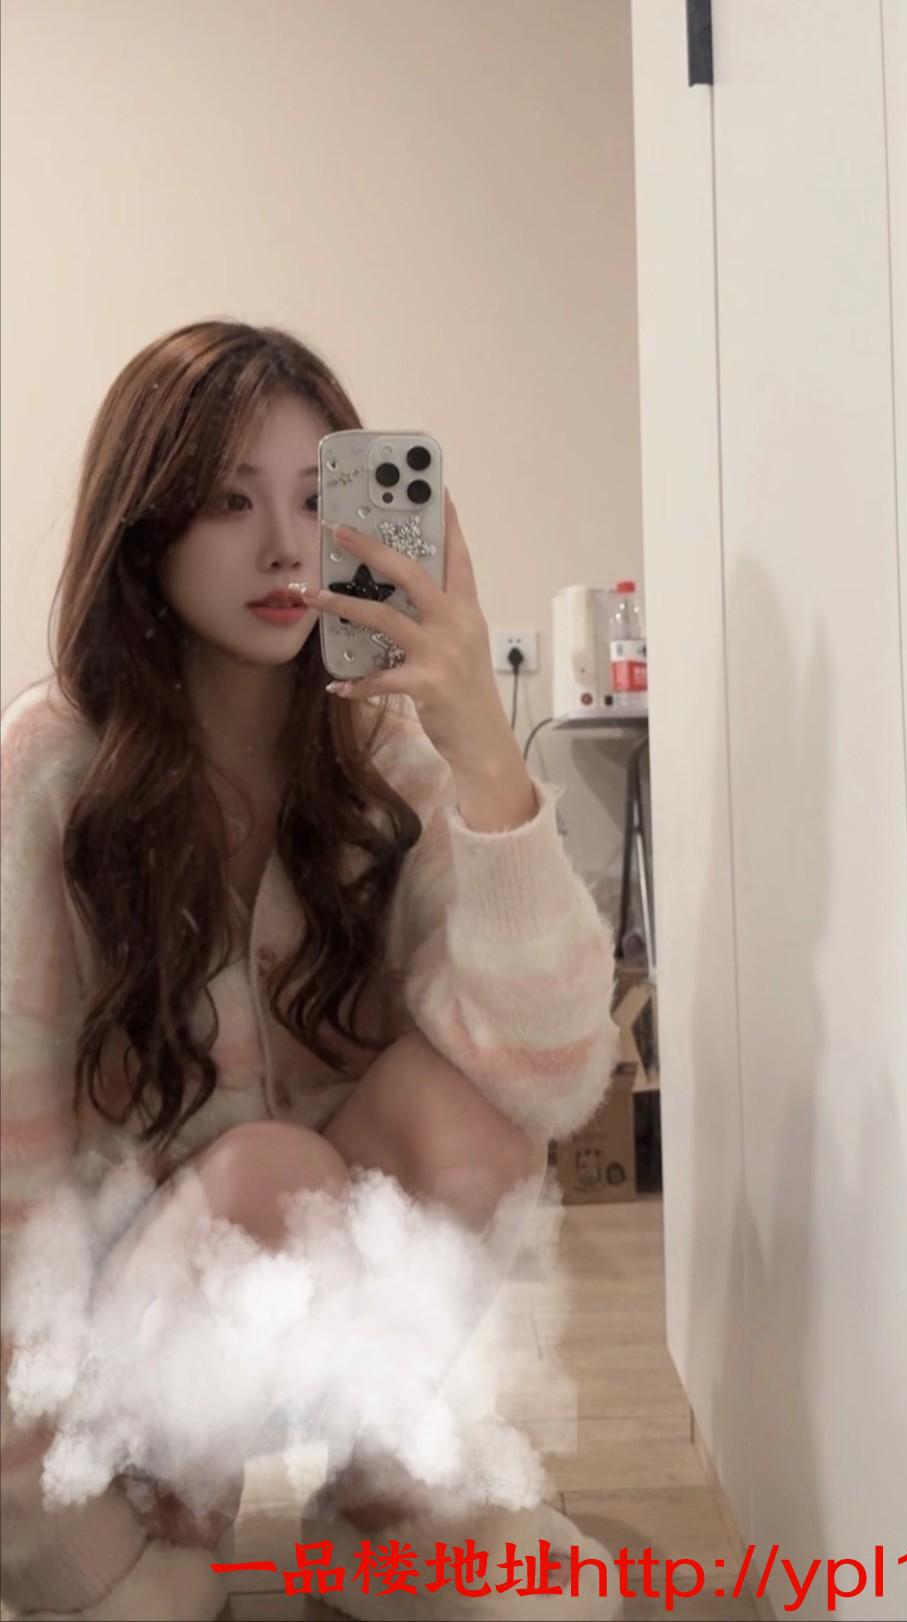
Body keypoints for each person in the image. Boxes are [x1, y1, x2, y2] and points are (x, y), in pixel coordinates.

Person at [0, 322, 624, 1620]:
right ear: (145, 530)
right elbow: (12, 1176)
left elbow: (556, 1069)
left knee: (475, 1114)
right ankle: (166, 1513)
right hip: (120, 1345)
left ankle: (383, 1498)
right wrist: (70, 1549)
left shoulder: (384, 756)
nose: (287, 548)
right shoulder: (53, 770)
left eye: (314, 498)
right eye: (231, 501)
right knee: (268, 1176)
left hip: (330, 1290)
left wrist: (485, 751)